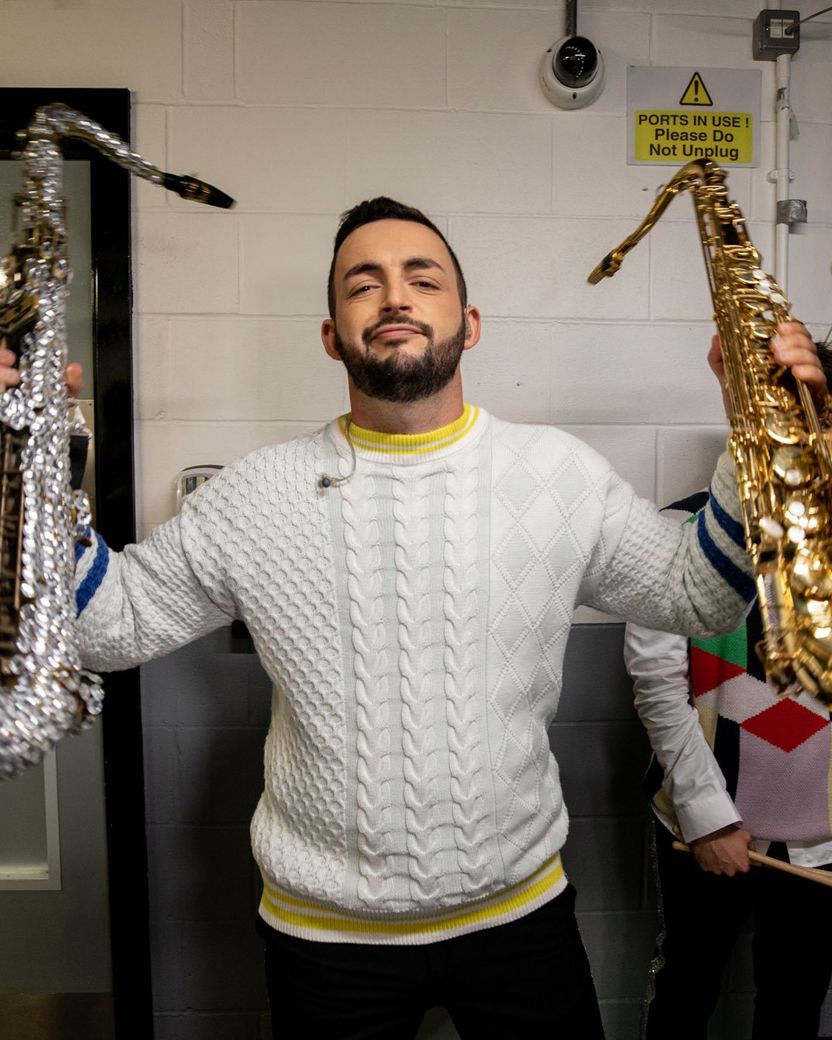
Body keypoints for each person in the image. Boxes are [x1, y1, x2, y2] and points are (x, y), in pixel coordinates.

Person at [4, 197, 824, 1039]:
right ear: (333, 335)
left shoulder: (559, 475)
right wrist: (27, 458)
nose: (394, 296)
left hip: (520, 920)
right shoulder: (256, 495)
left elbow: (698, 595)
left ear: (470, 324)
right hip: (326, 940)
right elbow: (107, 627)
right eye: (364, 284)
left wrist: (758, 426)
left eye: (421, 279)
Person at [624, 345, 832, 1040]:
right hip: (702, 828)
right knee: (686, 990)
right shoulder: (678, 530)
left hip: (821, 847)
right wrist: (708, 817)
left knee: (795, 1004)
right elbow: (659, 687)